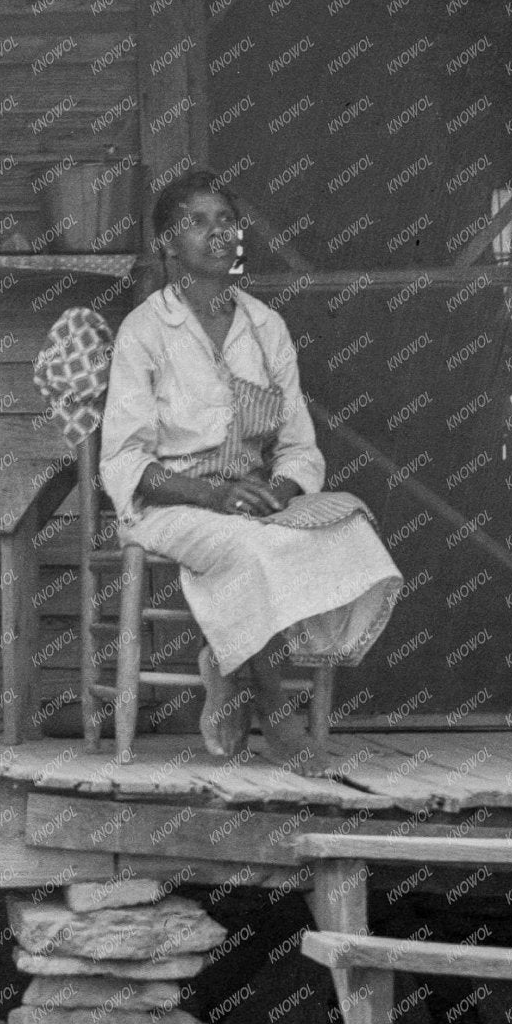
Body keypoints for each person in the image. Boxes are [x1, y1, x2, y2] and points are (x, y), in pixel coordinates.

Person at [98, 170, 401, 769]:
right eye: (198, 221)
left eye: (227, 221)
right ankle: (276, 718)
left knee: (349, 535)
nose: (219, 233)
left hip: (253, 501)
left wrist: (277, 491)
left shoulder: (266, 329)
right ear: (166, 243)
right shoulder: (145, 331)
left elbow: (300, 448)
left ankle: (228, 664)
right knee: (249, 548)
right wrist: (217, 496)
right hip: (170, 505)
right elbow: (126, 460)